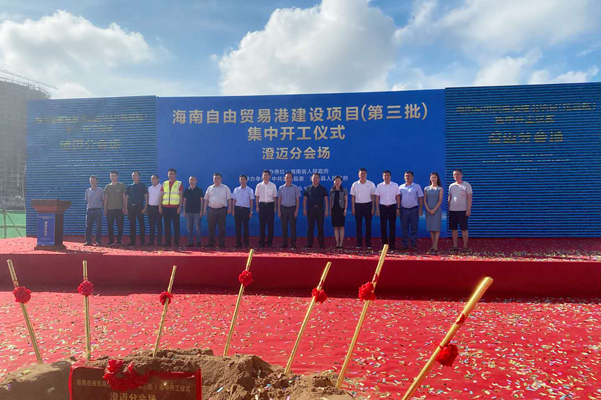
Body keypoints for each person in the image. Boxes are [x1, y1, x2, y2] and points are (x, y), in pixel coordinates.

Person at [203, 173, 232, 248]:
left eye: (218, 178)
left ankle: (221, 243)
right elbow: (206, 199)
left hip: (222, 210)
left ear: (221, 179)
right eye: (215, 178)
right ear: (213, 179)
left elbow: (229, 199)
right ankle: (211, 243)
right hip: (211, 210)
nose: (216, 180)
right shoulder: (210, 188)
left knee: (222, 228)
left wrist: (230, 208)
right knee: (211, 227)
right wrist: (204, 209)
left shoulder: (225, 188)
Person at [350, 168, 376, 249]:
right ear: (358, 175)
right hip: (358, 206)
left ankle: (368, 243)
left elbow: (373, 196)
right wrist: (353, 208)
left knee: (368, 225)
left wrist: (373, 208)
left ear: (366, 174)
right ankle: (359, 243)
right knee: (358, 225)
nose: (363, 175)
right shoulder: (355, 184)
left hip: (368, 205)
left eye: (364, 173)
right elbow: (353, 197)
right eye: (361, 173)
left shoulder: (371, 184)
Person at [398, 171, 424, 251]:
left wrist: (420, 209)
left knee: (414, 228)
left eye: (409, 176)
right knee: (404, 228)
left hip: (414, 210)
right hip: (404, 210)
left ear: (413, 177)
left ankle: (413, 244)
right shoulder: (401, 187)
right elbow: (398, 199)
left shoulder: (417, 186)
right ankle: (404, 244)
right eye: (406, 176)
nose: (407, 177)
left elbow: (420, 198)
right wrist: (398, 209)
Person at [448, 169, 472, 251]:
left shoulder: (466, 185)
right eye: (454, 174)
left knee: (464, 229)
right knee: (454, 229)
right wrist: (449, 207)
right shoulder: (451, 186)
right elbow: (450, 197)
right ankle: (455, 246)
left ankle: (465, 246)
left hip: (463, 210)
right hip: (452, 210)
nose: (456, 176)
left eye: (457, 174)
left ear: (461, 175)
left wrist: (468, 209)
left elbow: (469, 198)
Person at [375, 170, 400, 250]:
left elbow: (398, 197)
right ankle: (384, 244)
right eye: (385, 175)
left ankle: (392, 244)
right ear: (383, 177)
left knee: (392, 226)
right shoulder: (379, 186)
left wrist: (398, 208)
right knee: (383, 226)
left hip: (392, 207)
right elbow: (377, 197)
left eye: (388, 175)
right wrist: (377, 209)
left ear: (390, 176)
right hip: (383, 207)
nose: (386, 177)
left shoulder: (395, 185)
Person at [303, 173, 329, 249]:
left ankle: (321, 244)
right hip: (311, 209)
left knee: (320, 227)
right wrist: (304, 209)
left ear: (319, 179)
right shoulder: (308, 188)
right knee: (310, 227)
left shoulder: (323, 188)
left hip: (320, 210)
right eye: (314, 178)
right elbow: (305, 200)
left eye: (317, 178)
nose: (315, 179)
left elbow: (326, 200)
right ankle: (309, 243)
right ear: (311, 179)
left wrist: (326, 210)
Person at [159, 168, 183, 247]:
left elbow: (181, 195)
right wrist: (160, 206)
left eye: (172, 174)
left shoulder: (179, 183)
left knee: (176, 226)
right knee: (167, 226)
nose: (171, 175)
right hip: (165, 208)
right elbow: (161, 195)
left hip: (175, 208)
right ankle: (167, 242)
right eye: (169, 174)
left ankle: (176, 242)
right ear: (167, 175)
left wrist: (180, 206)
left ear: (175, 175)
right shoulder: (164, 183)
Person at [277, 172, 301, 249]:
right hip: (283, 209)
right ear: (284, 178)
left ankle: (293, 243)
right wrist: (279, 210)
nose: (288, 178)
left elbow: (297, 200)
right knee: (284, 227)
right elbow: (279, 200)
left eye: (289, 177)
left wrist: (296, 210)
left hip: (292, 209)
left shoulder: (295, 188)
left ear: (292, 178)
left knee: (293, 227)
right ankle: (285, 243)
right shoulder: (281, 188)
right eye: (287, 177)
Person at [255, 170, 277, 248]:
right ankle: (261, 242)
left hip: (270, 205)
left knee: (270, 225)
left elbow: (275, 197)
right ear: (262, 176)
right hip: (262, 206)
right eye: (264, 175)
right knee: (262, 225)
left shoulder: (273, 185)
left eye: (267, 175)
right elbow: (257, 197)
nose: (266, 176)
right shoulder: (259, 185)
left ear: (270, 176)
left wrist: (275, 207)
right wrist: (257, 206)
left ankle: (269, 242)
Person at [125, 171, 148, 246]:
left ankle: (142, 242)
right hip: (131, 208)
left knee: (142, 225)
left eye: (136, 175)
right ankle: (132, 241)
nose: (134, 177)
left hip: (140, 207)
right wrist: (126, 208)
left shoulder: (143, 186)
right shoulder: (129, 187)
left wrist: (145, 208)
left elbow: (146, 197)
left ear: (139, 176)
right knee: (132, 225)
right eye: (133, 175)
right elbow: (126, 198)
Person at [103, 171, 126, 246]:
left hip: (119, 208)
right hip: (110, 209)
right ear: (110, 177)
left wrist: (124, 207)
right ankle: (111, 240)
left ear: (117, 176)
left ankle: (119, 240)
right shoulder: (107, 186)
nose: (113, 177)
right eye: (112, 176)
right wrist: (105, 208)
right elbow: (106, 198)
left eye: (114, 176)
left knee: (120, 225)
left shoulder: (121, 185)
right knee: (110, 225)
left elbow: (124, 197)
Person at [232, 175, 254, 248]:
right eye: (241, 179)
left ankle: (246, 243)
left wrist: (251, 211)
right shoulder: (236, 190)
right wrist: (233, 210)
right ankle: (238, 243)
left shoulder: (250, 190)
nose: (242, 181)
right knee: (237, 227)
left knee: (245, 227)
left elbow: (251, 201)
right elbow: (234, 200)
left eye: (243, 179)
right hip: (237, 209)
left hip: (245, 210)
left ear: (246, 180)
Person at [424, 172, 444, 253]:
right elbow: (424, 200)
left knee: (437, 228)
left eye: (435, 177)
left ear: (437, 178)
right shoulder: (426, 188)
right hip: (429, 211)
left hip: (437, 210)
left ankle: (435, 246)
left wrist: (434, 209)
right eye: (432, 177)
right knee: (431, 229)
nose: (433, 179)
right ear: (430, 178)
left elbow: (440, 200)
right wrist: (428, 209)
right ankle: (433, 244)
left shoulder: (440, 188)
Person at [183, 176, 204, 247]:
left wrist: (201, 211)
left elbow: (202, 201)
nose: (191, 181)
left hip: (197, 212)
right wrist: (184, 211)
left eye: (193, 180)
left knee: (198, 228)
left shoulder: (199, 190)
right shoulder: (186, 190)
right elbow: (184, 201)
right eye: (190, 180)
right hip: (188, 212)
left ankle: (198, 242)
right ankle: (190, 242)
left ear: (196, 181)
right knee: (189, 228)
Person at [84, 175, 104, 246]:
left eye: (94, 180)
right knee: (88, 226)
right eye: (91, 181)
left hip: (98, 210)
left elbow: (103, 200)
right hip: (89, 210)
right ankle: (88, 241)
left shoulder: (101, 190)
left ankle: (98, 241)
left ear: (97, 181)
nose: (92, 182)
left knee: (98, 226)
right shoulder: (87, 191)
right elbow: (87, 200)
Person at [329, 176, 348, 249]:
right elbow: (330, 201)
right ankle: (337, 242)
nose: (337, 182)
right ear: (334, 182)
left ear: (341, 182)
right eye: (336, 181)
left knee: (341, 226)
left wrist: (345, 209)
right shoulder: (332, 190)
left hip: (341, 209)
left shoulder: (344, 190)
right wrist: (330, 210)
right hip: (334, 209)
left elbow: (346, 201)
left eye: (339, 181)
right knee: (335, 227)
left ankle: (341, 243)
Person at [147, 174, 163, 246]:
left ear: (158, 179)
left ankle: (159, 241)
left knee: (159, 225)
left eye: (154, 178)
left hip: (158, 208)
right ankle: (151, 241)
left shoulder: (161, 187)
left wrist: (160, 207)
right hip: (150, 208)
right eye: (152, 179)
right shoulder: (149, 188)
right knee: (151, 226)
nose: (153, 180)